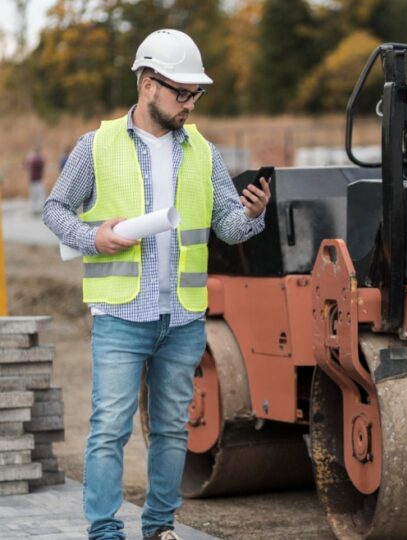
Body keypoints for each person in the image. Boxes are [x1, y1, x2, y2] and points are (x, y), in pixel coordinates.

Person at [43, 29, 272, 540]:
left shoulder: (204, 153)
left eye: (196, 94)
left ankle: (159, 527)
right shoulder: (95, 146)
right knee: (109, 431)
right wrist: (90, 237)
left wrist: (252, 214)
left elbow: (227, 227)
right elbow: (53, 209)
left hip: (184, 318)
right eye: (181, 92)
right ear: (148, 84)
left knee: (172, 430)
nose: (190, 103)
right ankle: (104, 532)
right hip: (121, 316)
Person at [25, 145, 46, 215]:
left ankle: (33, 209)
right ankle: (41, 209)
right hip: (37, 180)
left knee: (33, 196)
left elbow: (25, 165)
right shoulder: (37, 159)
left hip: (32, 180)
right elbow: (42, 164)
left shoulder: (30, 158)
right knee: (41, 195)